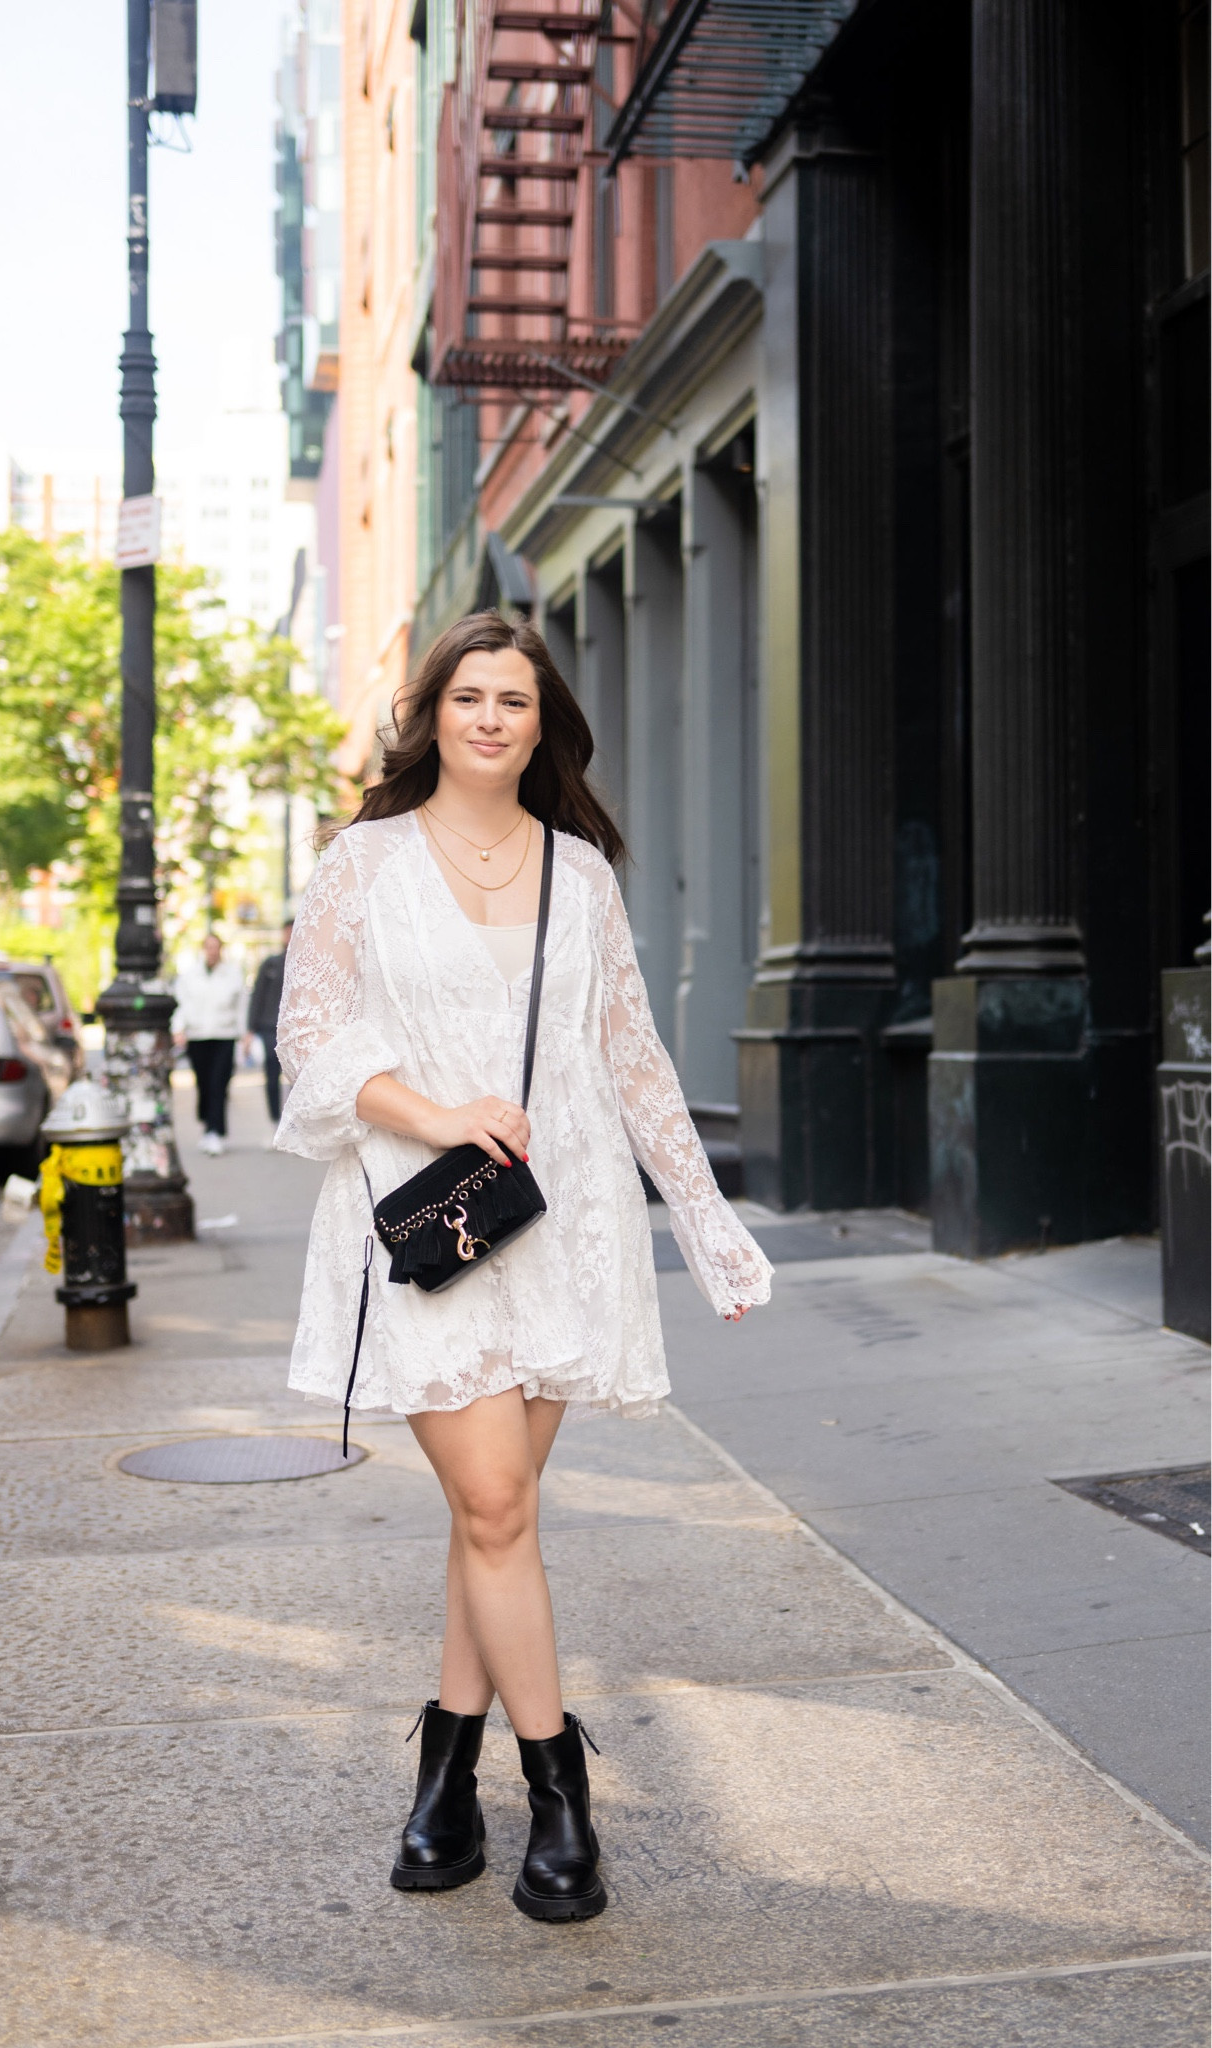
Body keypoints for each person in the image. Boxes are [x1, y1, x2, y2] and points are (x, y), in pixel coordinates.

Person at [274, 611, 771, 1923]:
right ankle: (561, 1797)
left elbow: (630, 1059)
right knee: (497, 1508)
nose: (491, 717)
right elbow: (306, 1050)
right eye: (470, 696)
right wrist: (438, 1113)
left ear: (541, 726)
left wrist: (705, 1218)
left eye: (515, 700)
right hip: (425, 1218)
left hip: (563, 1227)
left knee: (484, 1523)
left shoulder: (581, 876)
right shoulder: (360, 865)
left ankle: (442, 1778)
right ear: (430, 713)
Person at [172, 932, 246, 1155]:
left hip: (224, 1035)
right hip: (198, 1036)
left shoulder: (233, 974)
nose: (212, 951)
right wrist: (178, 1028)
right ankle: (208, 1125)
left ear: (221, 949)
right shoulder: (190, 975)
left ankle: (216, 1131)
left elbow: (241, 1007)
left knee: (218, 1084)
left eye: (216, 947)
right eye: (208, 947)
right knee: (204, 1085)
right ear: (203, 949)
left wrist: (244, 1036)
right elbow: (182, 1004)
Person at [247, 918, 293, 1122]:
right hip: (269, 1028)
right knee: (272, 1076)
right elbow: (257, 997)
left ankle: (293, 1122)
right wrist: (250, 1029)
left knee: (296, 1078)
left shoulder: (308, 962)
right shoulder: (270, 964)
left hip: (295, 1029)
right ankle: (275, 1119)